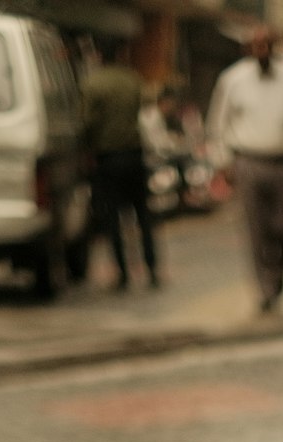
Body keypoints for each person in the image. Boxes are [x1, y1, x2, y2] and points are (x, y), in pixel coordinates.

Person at [205, 27, 283, 314]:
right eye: (255, 45)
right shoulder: (232, 79)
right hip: (249, 163)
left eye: (266, 45)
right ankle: (265, 286)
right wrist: (223, 163)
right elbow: (217, 125)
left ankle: (279, 275)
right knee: (256, 230)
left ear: (274, 46)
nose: (261, 50)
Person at [82, 37, 160, 291]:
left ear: (99, 56)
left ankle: (123, 274)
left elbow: (86, 122)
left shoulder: (93, 83)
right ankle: (152, 269)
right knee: (143, 218)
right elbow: (143, 106)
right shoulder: (132, 80)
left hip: (108, 158)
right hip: (134, 155)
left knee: (113, 219)